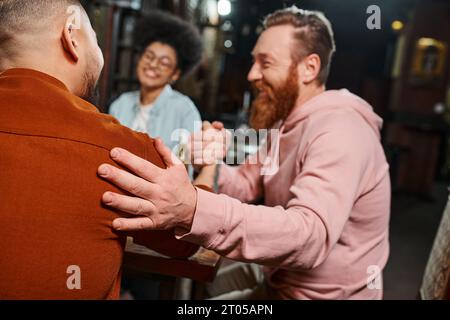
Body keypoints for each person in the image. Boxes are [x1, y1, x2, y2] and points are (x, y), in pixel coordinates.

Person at [98, 6, 391, 300]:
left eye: (266, 63)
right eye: (253, 62)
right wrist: (210, 163)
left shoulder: (340, 129)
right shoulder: (284, 124)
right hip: (278, 280)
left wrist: (194, 207)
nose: (251, 74)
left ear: (309, 68)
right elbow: (246, 184)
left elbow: (309, 236)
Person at [0, 0, 198, 299]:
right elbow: (185, 236)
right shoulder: (120, 142)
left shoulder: (182, 109)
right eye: (95, 37)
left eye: (164, 62)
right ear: (71, 34)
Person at [109, 10, 203, 154]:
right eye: (149, 56)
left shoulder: (185, 111)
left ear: (175, 74)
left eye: (164, 63)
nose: (153, 65)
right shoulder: (120, 105)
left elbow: (186, 163)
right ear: (139, 59)